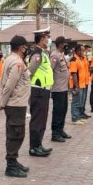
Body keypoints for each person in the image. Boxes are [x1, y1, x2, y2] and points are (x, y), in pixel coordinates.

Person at [0, 35, 31, 178]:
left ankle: (14, 160)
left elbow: (1, 81)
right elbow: (10, 84)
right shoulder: (17, 62)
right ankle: (10, 165)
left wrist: (2, 100)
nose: (26, 49)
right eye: (25, 46)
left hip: (16, 102)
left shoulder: (9, 59)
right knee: (16, 134)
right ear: (21, 47)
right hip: (16, 103)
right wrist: (2, 102)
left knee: (14, 132)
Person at [28, 28, 54, 157]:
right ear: (42, 39)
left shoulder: (43, 53)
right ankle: (34, 147)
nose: (48, 40)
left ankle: (39, 145)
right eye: (46, 38)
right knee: (37, 120)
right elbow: (30, 72)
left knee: (42, 120)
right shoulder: (37, 54)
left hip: (44, 90)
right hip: (38, 90)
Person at [50, 36, 72, 142]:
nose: (66, 45)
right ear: (60, 44)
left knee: (63, 110)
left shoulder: (61, 55)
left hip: (63, 88)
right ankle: (55, 133)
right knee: (57, 112)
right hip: (57, 89)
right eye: (64, 43)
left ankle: (60, 130)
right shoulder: (54, 55)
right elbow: (50, 70)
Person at [69, 45, 87, 125]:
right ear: (78, 51)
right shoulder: (74, 60)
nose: (84, 52)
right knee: (76, 102)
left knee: (80, 102)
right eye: (82, 50)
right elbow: (73, 74)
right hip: (77, 85)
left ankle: (79, 117)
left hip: (82, 84)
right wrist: (76, 86)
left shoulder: (81, 59)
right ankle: (75, 118)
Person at [80, 45, 92, 120]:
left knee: (84, 99)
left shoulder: (84, 58)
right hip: (81, 81)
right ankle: (80, 113)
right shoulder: (77, 59)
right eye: (83, 50)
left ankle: (82, 112)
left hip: (86, 80)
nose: (84, 52)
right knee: (80, 99)